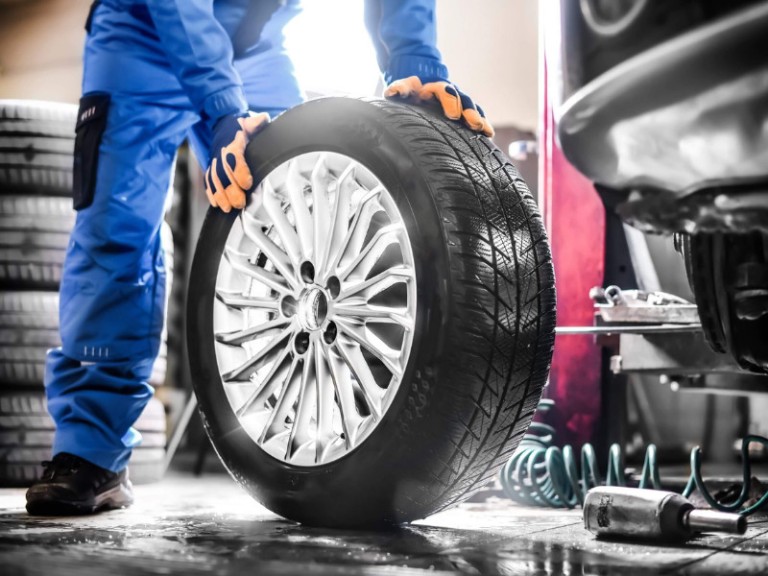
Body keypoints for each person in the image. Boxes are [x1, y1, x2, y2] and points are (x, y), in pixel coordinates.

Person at [25, 0, 494, 516]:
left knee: (305, 217)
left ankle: (334, 431)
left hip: (252, 44)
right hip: (138, 35)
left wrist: (415, 68)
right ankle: (91, 454)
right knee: (115, 233)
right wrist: (222, 106)